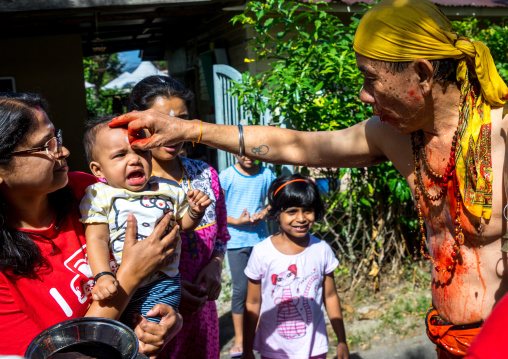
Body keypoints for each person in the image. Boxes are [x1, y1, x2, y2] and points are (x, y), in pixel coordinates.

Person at [109, 0, 508, 356]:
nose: (364, 95)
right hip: (446, 336)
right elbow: (295, 145)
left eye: (371, 78)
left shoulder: (503, 135)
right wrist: (191, 129)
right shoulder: (394, 135)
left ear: (421, 73)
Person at [0, 93, 182, 357]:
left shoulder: (89, 192)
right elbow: (56, 355)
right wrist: (130, 276)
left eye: (57, 138)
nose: (63, 151)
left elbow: (159, 263)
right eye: (45, 145)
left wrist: (169, 319)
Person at [128, 75, 230, 359]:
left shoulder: (205, 175)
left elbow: (221, 235)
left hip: (203, 315)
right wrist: (169, 292)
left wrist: (216, 266)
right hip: (152, 318)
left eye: (181, 120)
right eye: (161, 120)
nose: (173, 131)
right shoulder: (126, 187)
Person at [79, 117, 211, 328]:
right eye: (120, 155)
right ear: (98, 170)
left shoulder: (169, 189)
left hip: (164, 282)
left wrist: (195, 212)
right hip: (121, 284)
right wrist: (102, 275)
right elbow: (96, 238)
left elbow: (184, 226)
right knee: (119, 335)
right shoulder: (99, 195)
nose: (134, 160)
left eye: (142, 151)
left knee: (148, 331)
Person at [242, 174, 349, 359]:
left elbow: (330, 296)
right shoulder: (261, 253)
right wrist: (247, 348)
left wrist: (342, 341)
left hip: (315, 348)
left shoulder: (322, 250)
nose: (301, 218)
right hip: (273, 349)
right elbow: (252, 303)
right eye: (292, 211)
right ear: (277, 214)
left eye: (307, 210)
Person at [219, 154, 275, 357]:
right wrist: (235, 221)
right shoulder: (226, 176)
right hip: (236, 242)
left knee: (264, 289)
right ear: (234, 152)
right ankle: (240, 338)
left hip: (260, 241)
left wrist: (264, 212)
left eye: (254, 152)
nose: (249, 157)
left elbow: (275, 201)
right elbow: (217, 209)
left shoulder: (267, 174)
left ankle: (260, 334)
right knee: (241, 290)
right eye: (243, 152)